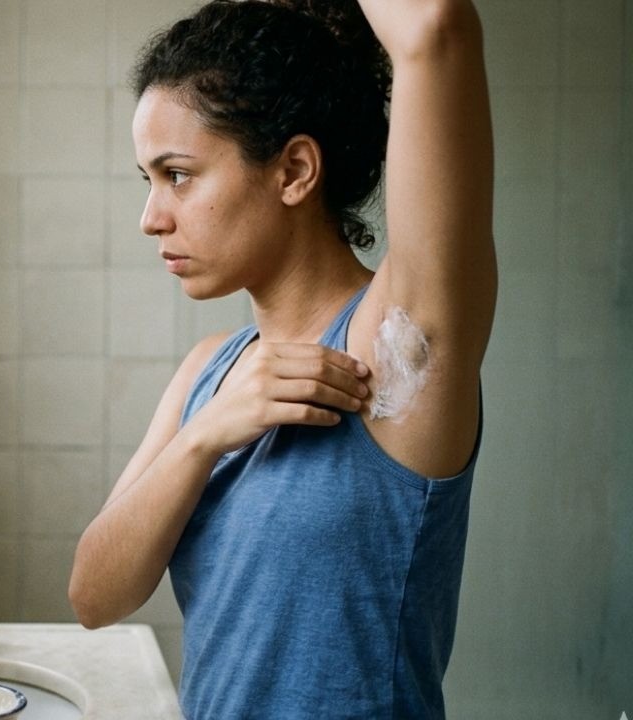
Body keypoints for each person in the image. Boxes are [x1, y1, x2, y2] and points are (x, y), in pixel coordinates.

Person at [68, 0, 494, 717]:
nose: (152, 217)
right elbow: (94, 595)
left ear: (294, 170)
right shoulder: (211, 370)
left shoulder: (393, 345)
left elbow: (436, 30)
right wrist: (207, 433)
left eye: (178, 174)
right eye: (148, 179)